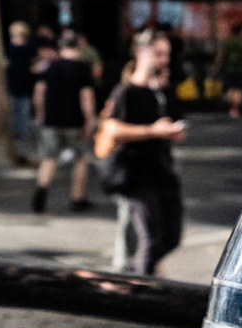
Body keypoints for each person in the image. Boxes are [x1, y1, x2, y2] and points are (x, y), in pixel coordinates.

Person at [98, 31, 187, 276]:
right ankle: (142, 286)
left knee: (171, 236)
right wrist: (152, 131)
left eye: (166, 54)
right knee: (150, 239)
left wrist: (173, 132)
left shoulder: (164, 91)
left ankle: (140, 272)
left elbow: (173, 122)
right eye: (158, 54)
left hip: (163, 173)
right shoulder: (126, 91)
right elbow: (112, 129)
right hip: (135, 174)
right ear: (140, 54)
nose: (164, 60)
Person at [32, 31, 98, 214]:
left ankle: (41, 189)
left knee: (49, 158)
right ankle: (77, 197)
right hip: (74, 120)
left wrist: (40, 114)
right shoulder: (83, 67)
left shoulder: (50, 66)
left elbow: (39, 91)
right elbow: (86, 95)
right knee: (81, 158)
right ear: (78, 46)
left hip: (51, 120)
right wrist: (90, 119)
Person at [3, 20, 38, 166]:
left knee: (22, 122)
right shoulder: (8, 49)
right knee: (16, 119)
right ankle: (19, 152)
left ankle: (22, 153)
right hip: (13, 88)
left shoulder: (26, 49)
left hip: (22, 89)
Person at [216, 24, 242, 118]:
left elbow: (221, 54)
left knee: (231, 87)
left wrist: (217, 66)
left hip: (229, 67)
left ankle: (231, 106)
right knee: (239, 88)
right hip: (241, 67)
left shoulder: (228, 41)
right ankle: (236, 108)